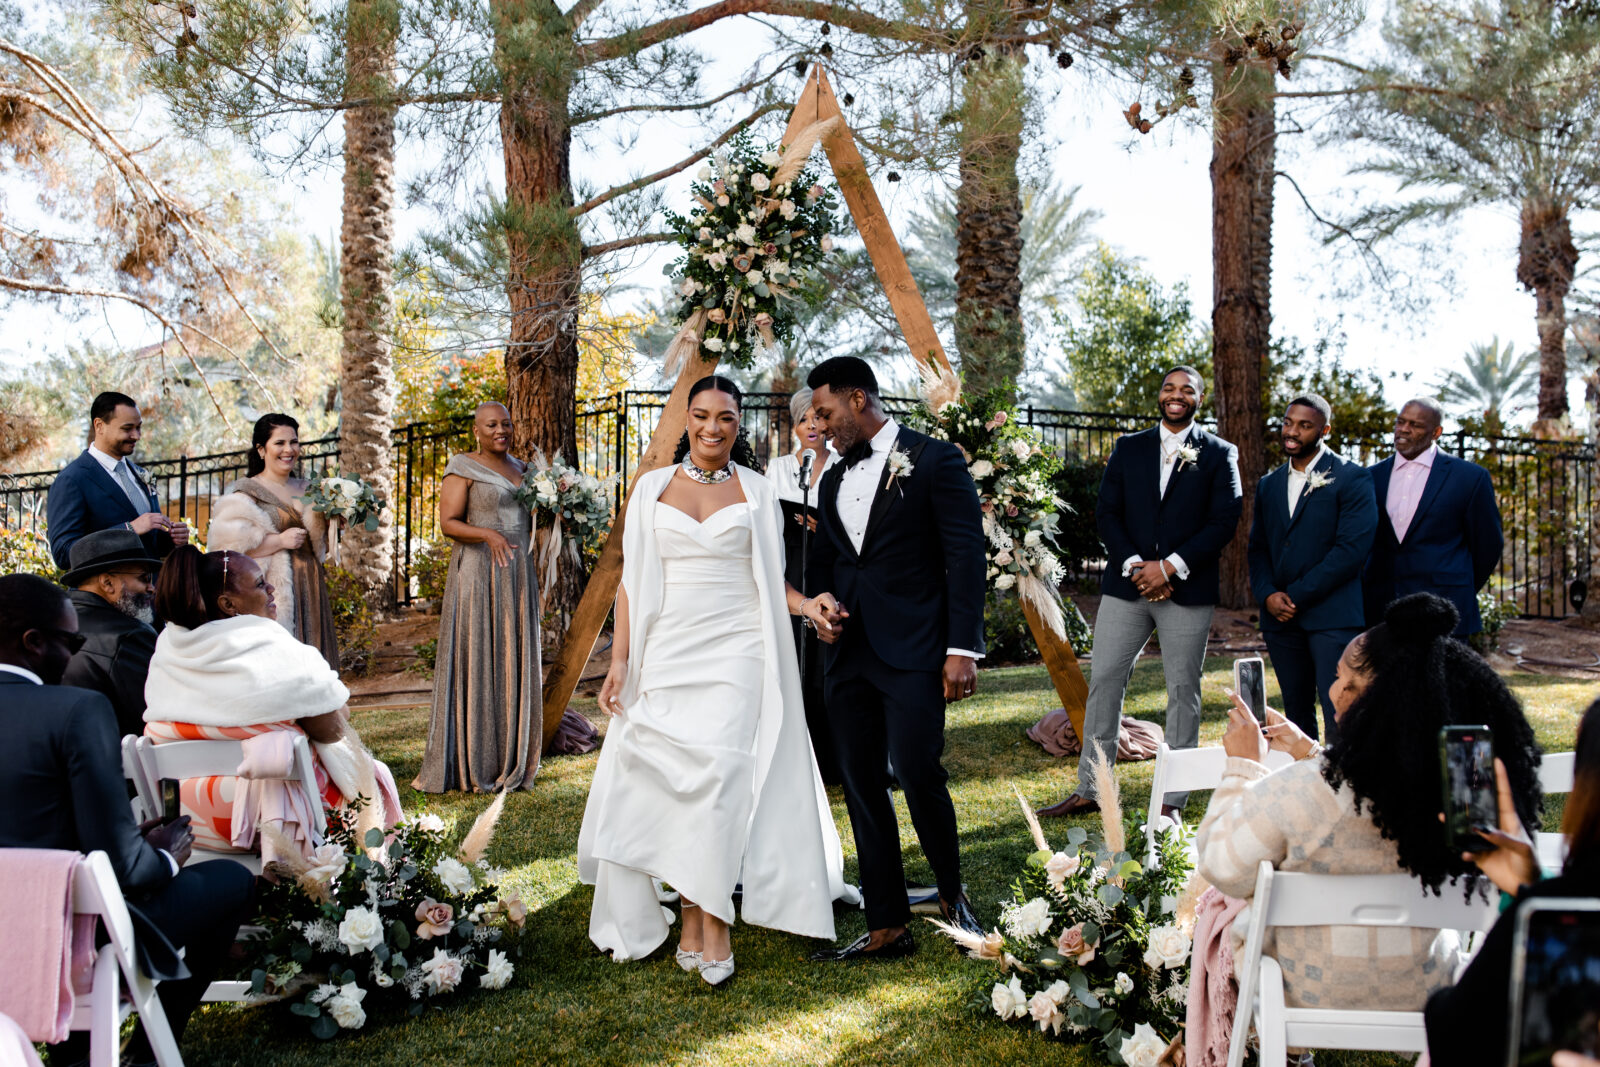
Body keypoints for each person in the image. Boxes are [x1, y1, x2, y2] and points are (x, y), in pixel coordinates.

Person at [577, 375, 851, 986]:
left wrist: (806, 607)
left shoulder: (755, 490)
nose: (711, 428)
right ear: (687, 422)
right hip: (667, 652)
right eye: (701, 416)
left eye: (725, 417)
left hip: (736, 651)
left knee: (723, 779)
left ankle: (714, 919)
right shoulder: (650, 487)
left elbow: (770, 578)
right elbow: (631, 583)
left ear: (738, 424)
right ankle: (695, 910)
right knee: (676, 786)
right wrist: (620, 661)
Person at [1195, 593, 1543, 1021]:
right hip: (1430, 990)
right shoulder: (1458, 794)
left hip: (1298, 994)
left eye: (1343, 679)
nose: (1332, 688)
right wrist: (1313, 753)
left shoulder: (1301, 791)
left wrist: (1242, 768)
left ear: (1363, 697)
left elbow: (1220, 863)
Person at [0, 573, 254, 1067]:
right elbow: (124, 870)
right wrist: (163, 855)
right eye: (70, 641)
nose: (73, 654)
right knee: (230, 881)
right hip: (65, 926)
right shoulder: (75, 710)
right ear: (32, 642)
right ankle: (147, 1055)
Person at [803, 355, 988, 961]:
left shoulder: (935, 460)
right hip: (847, 652)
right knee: (859, 783)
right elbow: (834, 562)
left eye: (826, 411)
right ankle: (887, 923)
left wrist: (962, 648)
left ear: (859, 399)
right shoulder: (830, 480)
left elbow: (964, 557)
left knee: (916, 772)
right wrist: (823, 606)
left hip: (914, 650)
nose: (820, 423)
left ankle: (954, 896)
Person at [1038, 366, 1243, 822]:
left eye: (1187, 390)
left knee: (1183, 689)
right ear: (1159, 396)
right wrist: (1135, 566)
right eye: (1169, 388)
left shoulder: (1220, 454)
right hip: (1125, 587)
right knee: (1105, 683)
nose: (1176, 395)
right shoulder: (1128, 449)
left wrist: (1169, 567)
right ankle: (1091, 788)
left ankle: (1174, 798)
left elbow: (1225, 519)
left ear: (1200, 399)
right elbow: (1108, 512)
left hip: (1186, 590)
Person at [143, 546, 401, 859]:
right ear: (228, 604)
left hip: (188, 821)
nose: (271, 589)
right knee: (372, 774)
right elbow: (331, 731)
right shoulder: (268, 645)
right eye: (259, 584)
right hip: (277, 823)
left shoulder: (169, 650)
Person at [1424, 695, 1600, 1066]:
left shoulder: (1562, 916)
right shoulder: (1556, 907)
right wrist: (1534, 887)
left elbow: (1455, 1030)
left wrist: (1537, 900)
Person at [415, 402, 543, 794]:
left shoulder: (526, 469)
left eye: (506, 423)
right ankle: (473, 759)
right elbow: (448, 523)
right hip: (479, 572)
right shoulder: (462, 466)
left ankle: (512, 757)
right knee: (479, 654)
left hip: (518, 572)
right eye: (491, 425)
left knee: (513, 656)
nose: (500, 431)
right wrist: (487, 534)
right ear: (476, 430)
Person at [1247, 394, 1377, 744]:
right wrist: (1267, 595)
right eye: (1288, 422)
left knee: (1341, 709)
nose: (1292, 431)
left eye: (1305, 426)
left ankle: (1345, 788)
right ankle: (1303, 787)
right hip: (1280, 620)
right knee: (1296, 713)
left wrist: (1296, 596)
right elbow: (1258, 549)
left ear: (1325, 430)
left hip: (1332, 617)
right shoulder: (1269, 484)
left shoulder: (1353, 479)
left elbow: (1351, 551)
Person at [206, 413, 340, 669]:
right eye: (279, 443)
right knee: (282, 662)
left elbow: (321, 544)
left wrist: (335, 524)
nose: (288, 450)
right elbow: (227, 552)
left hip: (310, 584)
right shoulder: (245, 493)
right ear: (261, 449)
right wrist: (279, 540)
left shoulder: (311, 489)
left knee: (316, 661)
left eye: (294, 442)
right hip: (274, 591)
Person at [1364, 397, 1504, 636]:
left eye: (1416, 425)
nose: (1404, 430)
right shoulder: (1370, 477)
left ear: (1436, 432)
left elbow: (1488, 545)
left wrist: (1457, 585)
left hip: (1444, 609)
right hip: (1381, 609)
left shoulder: (1470, 478)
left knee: (1443, 675)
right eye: (1400, 422)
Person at [764, 386, 841, 784]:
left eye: (817, 417)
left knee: (825, 666)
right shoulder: (776, 469)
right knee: (791, 657)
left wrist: (824, 528)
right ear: (793, 426)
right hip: (791, 567)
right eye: (802, 419)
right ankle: (795, 757)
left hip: (829, 567)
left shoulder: (843, 466)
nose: (811, 426)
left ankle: (832, 759)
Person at [46, 391, 189, 570]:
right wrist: (128, 530)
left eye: (139, 427)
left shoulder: (140, 474)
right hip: (105, 594)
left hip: (150, 593)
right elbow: (63, 554)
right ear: (99, 426)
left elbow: (148, 543)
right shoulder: (72, 479)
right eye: (127, 428)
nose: (137, 436)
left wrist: (172, 539)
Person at [59, 528, 161, 738]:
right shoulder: (131, 635)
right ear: (107, 583)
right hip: (115, 760)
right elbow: (153, 716)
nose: (152, 588)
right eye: (144, 578)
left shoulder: (49, 625)